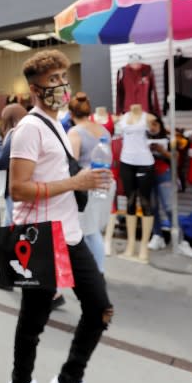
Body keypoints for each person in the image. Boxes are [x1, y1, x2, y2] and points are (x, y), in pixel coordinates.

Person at [5, 50, 113, 383]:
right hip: (38, 236)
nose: (62, 85)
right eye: (53, 79)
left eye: (64, 77)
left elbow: (58, 177)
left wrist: (83, 182)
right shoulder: (29, 128)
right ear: (35, 88)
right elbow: (17, 188)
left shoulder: (60, 126)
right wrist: (74, 183)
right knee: (34, 321)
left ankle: (69, 380)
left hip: (69, 234)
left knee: (99, 308)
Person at [67, 92, 115, 273]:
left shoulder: (75, 132)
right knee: (93, 230)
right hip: (106, 183)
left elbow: (72, 162)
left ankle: (98, 272)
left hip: (88, 187)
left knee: (89, 232)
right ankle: (95, 270)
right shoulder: (104, 131)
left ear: (71, 114)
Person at [146, 117, 192, 258]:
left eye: (155, 124)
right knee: (152, 208)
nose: (152, 127)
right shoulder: (142, 137)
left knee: (169, 207)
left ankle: (181, 241)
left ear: (160, 124)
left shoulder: (169, 138)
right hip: (148, 173)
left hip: (165, 174)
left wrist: (162, 151)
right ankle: (157, 235)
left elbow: (175, 158)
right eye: (149, 124)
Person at [0, 103, 28, 291]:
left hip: (16, 190)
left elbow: (0, 161)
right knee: (15, 234)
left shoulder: (14, 134)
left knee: (10, 235)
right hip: (27, 189)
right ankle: (8, 276)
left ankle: (7, 277)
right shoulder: (31, 130)